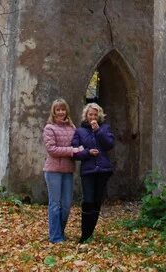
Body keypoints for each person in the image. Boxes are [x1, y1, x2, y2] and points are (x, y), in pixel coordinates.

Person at [72, 102, 115, 243]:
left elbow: (109, 144)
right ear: (86, 115)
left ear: (99, 116)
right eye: (90, 114)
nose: (93, 117)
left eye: (95, 114)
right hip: (88, 171)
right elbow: (75, 152)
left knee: (97, 202)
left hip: (103, 170)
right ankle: (84, 235)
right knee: (88, 201)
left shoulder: (105, 128)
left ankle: (89, 234)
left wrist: (98, 131)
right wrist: (88, 152)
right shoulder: (79, 131)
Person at [42, 98, 82, 243]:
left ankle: (60, 232)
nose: (60, 112)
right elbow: (52, 149)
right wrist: (72, 150)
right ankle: (56, 236)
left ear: (66, 111)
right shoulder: (49, 128)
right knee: (55, 204)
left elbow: (79, 145)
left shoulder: (72, 128)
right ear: (53, 111)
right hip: (53, 170)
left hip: (68, 169)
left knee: (66, 205)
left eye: (62, 109)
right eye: (57, 109)